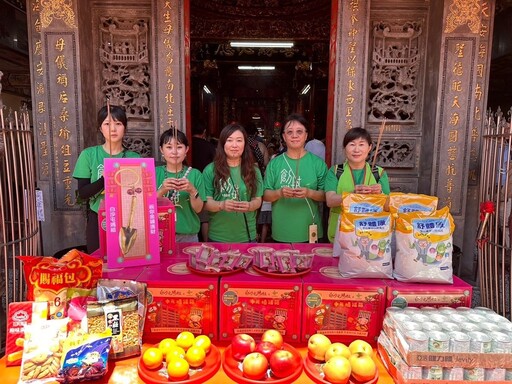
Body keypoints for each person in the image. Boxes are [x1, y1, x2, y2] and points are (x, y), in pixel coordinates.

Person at [73, 105, 139, 253]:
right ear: (100, 128)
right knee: (99, 263)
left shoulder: (134, 158)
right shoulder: (89, 155)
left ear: (125, 128)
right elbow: (82, 194)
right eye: (107, 124)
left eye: (118, 124)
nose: (113, 129)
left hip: (127, 220)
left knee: (127, 260)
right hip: (97, 217)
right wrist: (105, 179)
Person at [263, 113, 328, 243]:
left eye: (299, 131)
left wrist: (309, 193)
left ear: (306, 135)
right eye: (289, 132)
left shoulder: (317, 163)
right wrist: (279, 193)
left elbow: (326, 195)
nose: (294, 136)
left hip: (309, 228)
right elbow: (265, 195)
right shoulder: (275, 163)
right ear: (284, 136)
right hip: (282, 231)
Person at [324, 127, 391, 243]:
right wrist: (352, 194)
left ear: (369, 148)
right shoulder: (335, 171)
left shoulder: (379, 173)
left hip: (372, 234)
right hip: (341, 234)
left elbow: (388, 207)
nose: (356, 150)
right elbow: (330, 200)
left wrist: (380, 194)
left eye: (361, 144)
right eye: (352, 144)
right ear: (345, 148)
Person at [203, 123, 263, 242]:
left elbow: (258, 199)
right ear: (222, 144)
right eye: (229, 140)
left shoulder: (253, 170)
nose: (234, 145)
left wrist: (250, 205)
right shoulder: (210, 170)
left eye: (239, 140)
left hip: (247, 236)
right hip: (218, 236)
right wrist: (222, 205)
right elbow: (206, 203)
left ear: (245, 144)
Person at [156, 128, 205, 242]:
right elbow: (145, 206)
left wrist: (192, 191)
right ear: (161, 150)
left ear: (186, 149)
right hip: (159, 234)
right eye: (169, 147)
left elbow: (198, 209)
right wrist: (162, 190)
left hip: (188, 236)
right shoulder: (153, 173)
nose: (174, 152)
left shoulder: (195, 174)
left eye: (179, 147)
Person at [191, 120, 216, 241]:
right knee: (204, 217)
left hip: (188, 178)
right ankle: (206, 242)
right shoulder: (209, 146)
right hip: (205, 181)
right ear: (204, 132)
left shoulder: (189, 144)